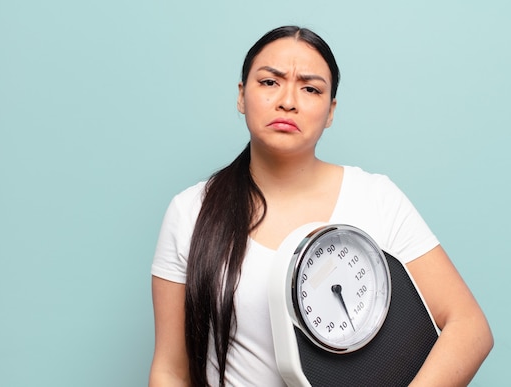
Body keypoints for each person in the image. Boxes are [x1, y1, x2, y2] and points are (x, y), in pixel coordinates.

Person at [149, 25, 493, 387]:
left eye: (310, 89)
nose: (288, 101)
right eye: (269, 82)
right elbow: (170, 369)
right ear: (241, 96)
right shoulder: (190, 212)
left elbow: (469, 327)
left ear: (330, 112)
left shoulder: (376, 197)